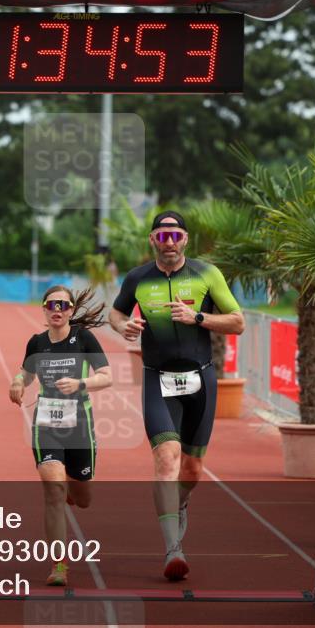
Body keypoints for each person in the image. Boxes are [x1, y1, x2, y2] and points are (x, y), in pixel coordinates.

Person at [108, 210, 244, 581]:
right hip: (157, 379)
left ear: (185, 239)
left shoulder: (206, 274)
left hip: (201, 380)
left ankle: (180, 502)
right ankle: (173, 549)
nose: (169, 243)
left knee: (192, 469)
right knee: (166, 459)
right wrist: (126, 326)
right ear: (153, 240)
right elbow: (115, 314)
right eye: (162, 237)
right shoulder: (137, 278)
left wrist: (198, 318)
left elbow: (238, 322)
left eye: (176, 236)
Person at [9, 285, 113, 586]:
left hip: (79, 423)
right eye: (52, 305)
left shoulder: (83, 338)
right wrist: (17, 383)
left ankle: (73, 484)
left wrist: (80, 383)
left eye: (64, 305)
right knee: (53, 490)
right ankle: (59, 565)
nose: (58, 310)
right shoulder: (37, 342)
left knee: (83, 498)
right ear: (44, 309)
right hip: (47, 422)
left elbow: (106, 377)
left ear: (71, 311)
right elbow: (26, 374)